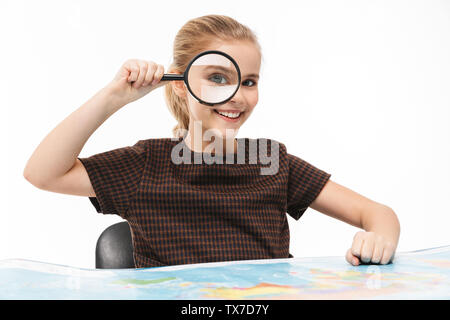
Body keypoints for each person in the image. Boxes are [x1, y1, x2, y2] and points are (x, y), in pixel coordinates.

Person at [23, 14, 400, 269]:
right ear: (181, 84)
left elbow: (377, 213)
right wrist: (113, 97)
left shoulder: (270, 160)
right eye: (218, 78)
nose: (238, 94)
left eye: (249, 81)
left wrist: (380, 237)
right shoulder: (147, 164)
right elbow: (43, 173)